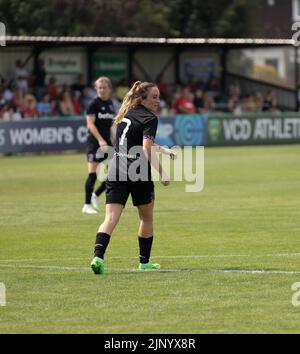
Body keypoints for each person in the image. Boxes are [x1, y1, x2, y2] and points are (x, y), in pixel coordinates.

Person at [90, 81, 177, 274]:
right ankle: (144, 262)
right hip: (138, 173)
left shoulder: (125, 115)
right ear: (142, 98)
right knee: (146, 218)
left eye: (159, 97)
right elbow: (145, 148)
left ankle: (98, 257)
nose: (158, 101)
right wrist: (162, 171)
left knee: (110, 218)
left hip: (116, 171)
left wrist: (162, 149)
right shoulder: (150, 118)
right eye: (154, 97)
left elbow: (135, 143)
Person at [82, 76, 116, 214]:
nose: (101, 90)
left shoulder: (110, 104)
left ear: (109, 89)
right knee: (93, 174)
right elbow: (90, 124)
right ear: (96, 89)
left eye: (104, 88)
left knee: (114, 173)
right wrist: (100, 140)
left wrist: (112, 138)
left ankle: (96, 195)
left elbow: (109, 124)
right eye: (99, 88)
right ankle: (86, 205)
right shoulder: (93, 104)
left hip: (107, 143)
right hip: (94, 143)